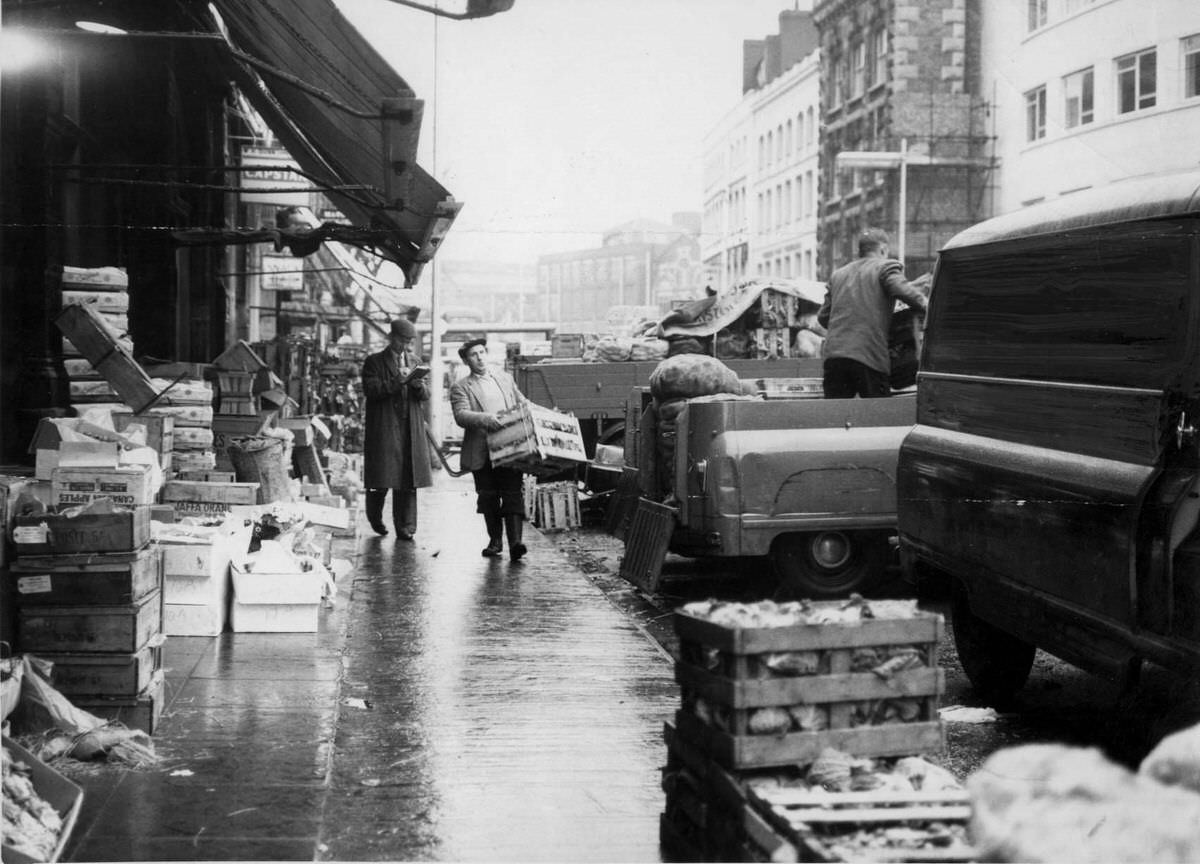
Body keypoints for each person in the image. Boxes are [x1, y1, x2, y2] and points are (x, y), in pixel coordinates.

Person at [818, 227, 929, 398]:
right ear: (883, 249)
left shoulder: (838, 275)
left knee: (836, 416)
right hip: (868, 356)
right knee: (877, 417)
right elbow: (908, 294)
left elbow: (824, 317)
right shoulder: (885, 268)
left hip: (835, 358)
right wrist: (930, 308)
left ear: (860, 250)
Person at [449, 337, 530, 560]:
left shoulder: (504, 379)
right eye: (474, 355)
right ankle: (495, 542)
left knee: (513, 492)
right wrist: (486, 419)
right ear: (467, 361)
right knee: (488, 497)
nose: (480, 357)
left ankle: (516, 543)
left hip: (510, 447)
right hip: (482, 451)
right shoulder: (461, 387)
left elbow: (522, 403)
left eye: (482, 352)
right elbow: (461, 415)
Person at [361, 318, 432, 539]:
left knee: (408, 479)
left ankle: (406, 527)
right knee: (380, 480)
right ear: (392, 337)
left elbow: (425, 396)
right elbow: (371, 390)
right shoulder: (374, 362)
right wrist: (397, 382)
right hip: (384, 428)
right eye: (403, 340)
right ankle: (375, 519)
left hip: (409, 428)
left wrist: (419, 387)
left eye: (410, 341)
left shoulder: (415, 361)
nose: (407, 346)